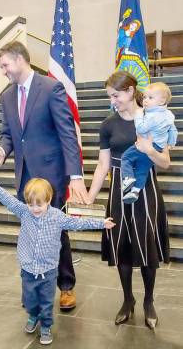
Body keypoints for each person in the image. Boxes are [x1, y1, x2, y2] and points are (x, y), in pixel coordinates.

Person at [0, 41, 89, 311]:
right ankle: (35, 283)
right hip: (25, 178)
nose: (3, 71)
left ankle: (66, 287)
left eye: (5, 65)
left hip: (51, 176)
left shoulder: (50, 88)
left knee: (55, 232)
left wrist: (75, 175)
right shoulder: (7, 97)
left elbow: (67, 133)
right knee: (30, 234)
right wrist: (1, 149)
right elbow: (8, 133)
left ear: (20, 59)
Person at [0, 177, 115, 345]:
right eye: (31, 205)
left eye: (39, 205)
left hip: (49, 270)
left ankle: (45, 326)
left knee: (46, 301)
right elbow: (10, 201)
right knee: (29, 299)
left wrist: (101, 223)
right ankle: (33, 315)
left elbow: (78, 222)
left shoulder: (57, 216)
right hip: (28, 267)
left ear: (49, 200)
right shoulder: (24, 212)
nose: (35, 209)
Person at [87, 71, 170, 330]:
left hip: (146, 187)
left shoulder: (152, 119)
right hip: (118, 189)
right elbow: (102, 166)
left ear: (131, 91)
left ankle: (148, 301)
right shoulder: (108, 125)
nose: (113, 101)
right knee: (121, 245)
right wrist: (89, 197)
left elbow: (165, 162)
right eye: (110, 96)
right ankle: (127, 299)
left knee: (147, 244)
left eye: (116, 95)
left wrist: (148, 150)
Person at [122, 82, 178, 203]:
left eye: (150, 98)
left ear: (162, 102)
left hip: (146, 145)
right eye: (145, 97)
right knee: (142, 169)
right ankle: (135, 191)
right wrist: (171, 142)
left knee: (126, 157)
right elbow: (172, 129)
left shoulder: (153, 116)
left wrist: (138, 116)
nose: (146, 100)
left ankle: (128, 178)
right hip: (158, 147)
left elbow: (142, 129)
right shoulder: (168, 114)